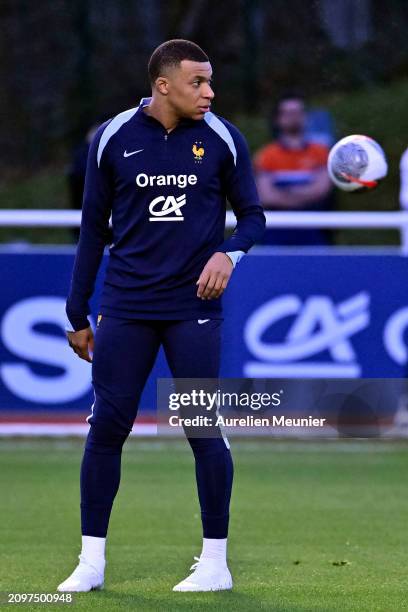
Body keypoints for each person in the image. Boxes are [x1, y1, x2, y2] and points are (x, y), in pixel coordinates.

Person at [57, 39, 265, 593]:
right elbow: (92, 231)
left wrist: (230, 252)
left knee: (201, 426)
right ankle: (91, 563)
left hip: (192, 307)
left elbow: (253, 216)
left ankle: (215, 564)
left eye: (211, 81)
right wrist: (76, 310)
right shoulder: (112, 138)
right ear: (163, 84)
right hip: (125, 305)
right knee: (107, 428)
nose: (209, 92)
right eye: (198, 82)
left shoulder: (223, 138)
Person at [253, 93, 333, 245]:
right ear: (278, 119)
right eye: (288, 113)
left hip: (314, 229)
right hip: (276, 231)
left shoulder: (320, 153)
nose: (293, 117)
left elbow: (322, 190)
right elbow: (266, 196)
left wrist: (285, 195)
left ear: (305, 117)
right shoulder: (266, 156)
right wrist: (304, 194)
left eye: (298, 112)